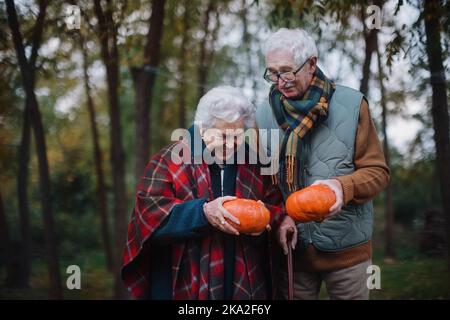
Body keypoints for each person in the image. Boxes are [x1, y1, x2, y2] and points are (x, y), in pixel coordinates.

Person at [255, 28, 390, 300]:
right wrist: (280, 217)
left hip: (347, 254)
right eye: (273, 72)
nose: (280, 81)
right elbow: (265, 182)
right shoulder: (263, 114)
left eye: (287, 71)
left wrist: (343, 187)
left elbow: (378, 173)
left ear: (312, 64)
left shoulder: (352, 105)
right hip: (292, 252)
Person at [121, 86, 284, 299]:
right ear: (202, 128)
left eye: (237, 135)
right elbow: (148, 219)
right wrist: (203, 213)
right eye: (222, 135)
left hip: (243, 279)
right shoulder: (169, 160)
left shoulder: (254, 163)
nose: (231, 144)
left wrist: (265, 223)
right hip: (182, 279)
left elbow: (274, 208)